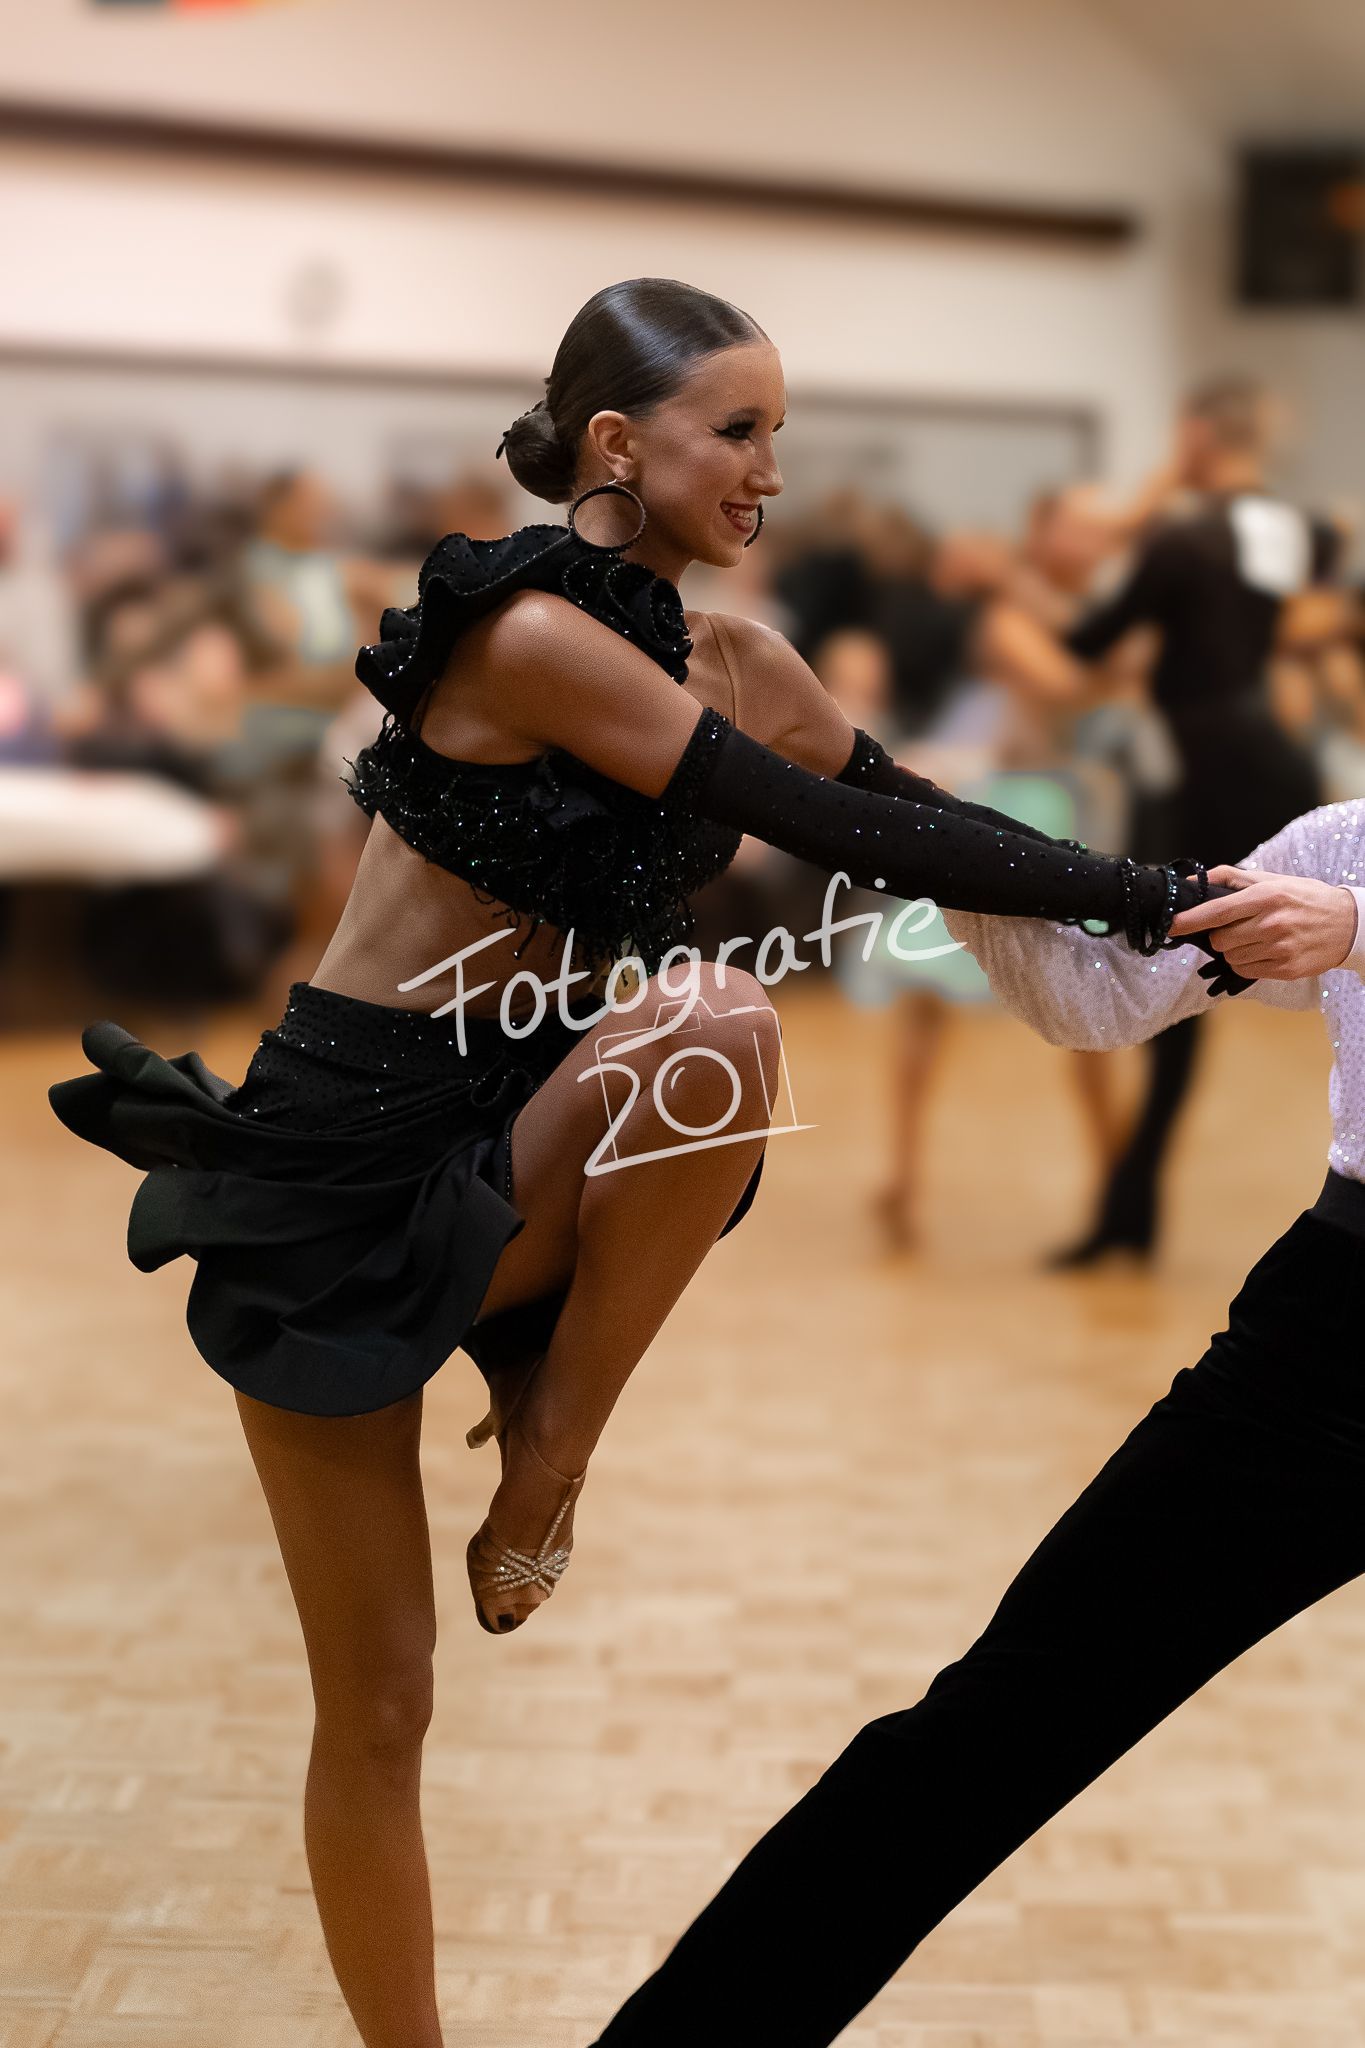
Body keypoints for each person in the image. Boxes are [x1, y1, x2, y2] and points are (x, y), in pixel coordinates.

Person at [47, 277, 1217, 2048]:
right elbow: (814, 818)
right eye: (736, 431)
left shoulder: (739, 659)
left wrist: (1180, 903)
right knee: (380, 1708)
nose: (769, 473)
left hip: (534, 1125)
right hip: (340, 1158)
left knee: (720, 1022)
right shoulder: (526, 631)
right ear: (616, 441)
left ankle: (548, 1453)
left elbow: (916, 819)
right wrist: (1149, 894)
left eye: (779, 436)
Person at [584, 801, 1365, 2048]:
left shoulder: (1349, 888)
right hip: (1333, 1341)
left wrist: (1358, 931)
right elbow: (1102, 999)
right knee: (1003, 1720)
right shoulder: (1344, 842)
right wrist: (924, 837)